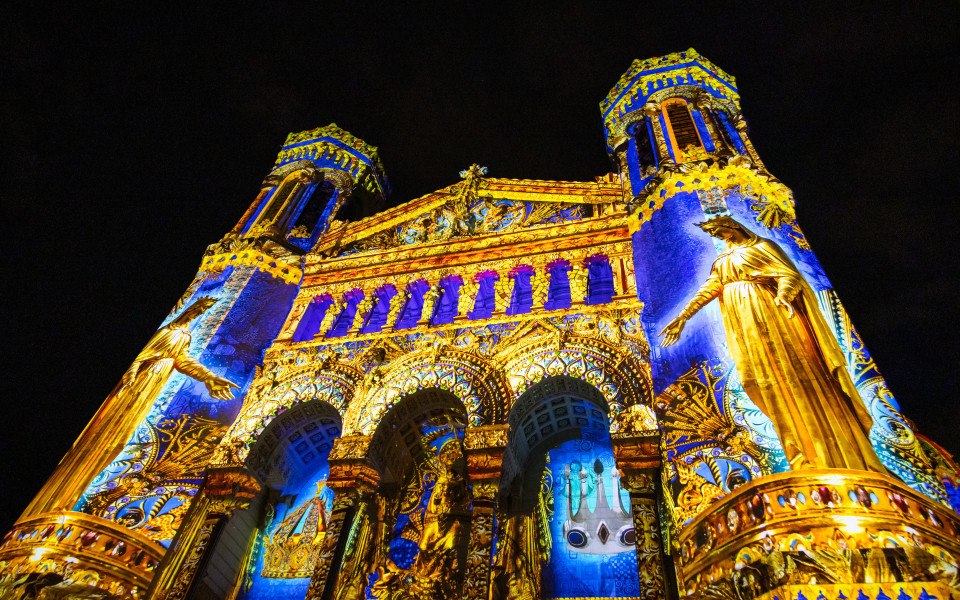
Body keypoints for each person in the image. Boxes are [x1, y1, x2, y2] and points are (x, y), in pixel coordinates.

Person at [660, 215, 884, 472]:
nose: (715, 236)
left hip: (771, 313)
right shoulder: (722, 261)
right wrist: (682, 317)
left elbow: (788, 275)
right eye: (711, 232)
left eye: (716, 229)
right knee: (758, 381)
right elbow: (711, 288)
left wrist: (784, 296)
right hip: (744, 327)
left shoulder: (763, 248)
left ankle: (839, 455)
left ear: (732, 225)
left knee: (797, 373)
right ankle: (801, 458)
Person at [22, 297, 238, 519]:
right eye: (200, 307)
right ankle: (52, 501)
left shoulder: (185, 334)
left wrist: (209, 377)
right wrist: (131, 375)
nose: (199, 312)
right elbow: (143, 355)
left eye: (204, 309)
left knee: (119, 440)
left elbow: (180, 358)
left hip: (153, 383)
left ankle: (68, 498)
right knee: (103, 430)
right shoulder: (168, 329)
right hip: (139, 381)